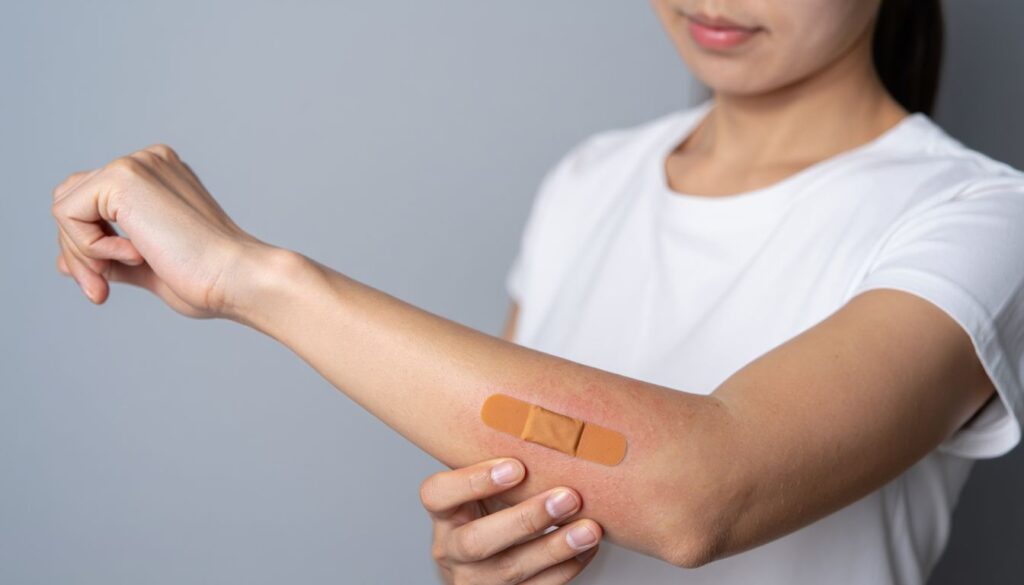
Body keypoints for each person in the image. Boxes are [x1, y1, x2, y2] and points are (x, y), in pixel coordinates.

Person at [48, 0, 1024, 583]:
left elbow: (699, 494)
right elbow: (522, 467)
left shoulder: (981, 215)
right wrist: (481, 555)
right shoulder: (587, 178)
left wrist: (252, 277)